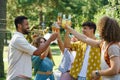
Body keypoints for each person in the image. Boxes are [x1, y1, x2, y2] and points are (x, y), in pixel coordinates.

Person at [7, 16, 58, 80]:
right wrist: (50, 39)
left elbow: (38, 50)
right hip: (18, 77)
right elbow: (38, 52)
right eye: (26, 24)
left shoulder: (21, 38)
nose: (28, 27)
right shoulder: (18, 38)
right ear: (19, 26)